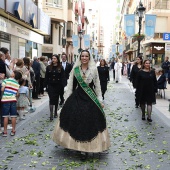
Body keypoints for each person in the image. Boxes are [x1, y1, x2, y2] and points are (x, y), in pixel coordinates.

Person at [52, 50, 110, 160]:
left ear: (89, 57)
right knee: (75, 119)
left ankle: (90, 147)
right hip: (77, 97)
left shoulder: (94, 70)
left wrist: (100, 100)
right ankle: (80, 148)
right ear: (80, 57)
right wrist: (66, 100)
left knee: (90, 121)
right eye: (82, 56)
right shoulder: (76, 69)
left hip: (90, 97)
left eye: (86, 56)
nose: (84, 58)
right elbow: (70, 85)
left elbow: (97, 86)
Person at [44, 54, 64, 121]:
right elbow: (46, 77)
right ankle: (51, 114)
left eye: (55, 58)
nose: (53, 60)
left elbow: (62, 77)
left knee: (56, 98)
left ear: (57, 59)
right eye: (52, 58)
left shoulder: (60, 67)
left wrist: (63, 85)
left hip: (58, 85)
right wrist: (45, 86)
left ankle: (55, 111)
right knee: (51, 99)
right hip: (51, 85)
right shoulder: (49, 67)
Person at [1, 71, 22, 137]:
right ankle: (13, 130)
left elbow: (2, 89)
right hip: (13, 100)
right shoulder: (17, 84)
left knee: (5, 116)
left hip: (6, 100)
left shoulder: (6, 80)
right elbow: (17, 94)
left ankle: (5, 132)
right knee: (13, 116)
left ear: (13, 75)